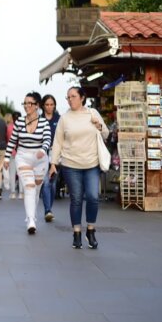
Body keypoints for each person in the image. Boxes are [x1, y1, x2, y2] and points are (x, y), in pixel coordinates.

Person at [50, 86, 109, 249]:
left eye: (73, 96)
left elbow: (106, 134)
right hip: (70, 164)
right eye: (67, 97)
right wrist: (53, 163)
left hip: (91, 163)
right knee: (76, 199)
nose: (70, 99)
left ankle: (90, 230)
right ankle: (76, 233)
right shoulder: (64, 118)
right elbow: (58, 142)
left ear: (82, 98)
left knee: (92, 197)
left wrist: (100, 126)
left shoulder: (93, 113)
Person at [4, 93, 51, 234]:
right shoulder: (19, 122)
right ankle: (30, 220)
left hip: (40, 159)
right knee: (29, 188)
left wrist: (43, 150)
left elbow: (48, 139)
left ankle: (33, 214)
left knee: (36, 190)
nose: (26, 106)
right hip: (23, 156)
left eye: (30, 103)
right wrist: (6, 158)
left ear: (37, 106)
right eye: (24, 103)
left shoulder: (44, 122)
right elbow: (12, 141)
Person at [41, 94, 60, 215]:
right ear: (43, 106)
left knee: (53, 184)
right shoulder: (39, 119)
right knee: (46, 182)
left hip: (57, 154)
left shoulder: (59, 119)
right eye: (47, 104)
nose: (49, 107)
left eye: (51, 104)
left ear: (54, 106)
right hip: (42, 155)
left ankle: (49, 207)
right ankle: (47, 210)